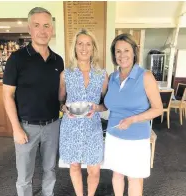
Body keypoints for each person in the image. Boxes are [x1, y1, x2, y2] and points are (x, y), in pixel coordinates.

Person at [3, 7, 64, 196]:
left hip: (53, 124)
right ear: (30, 29)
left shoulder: (58, 61)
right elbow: (7, 96)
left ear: (52, 30)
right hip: (26, 127)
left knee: (50, 170)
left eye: (47, 26)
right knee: (24, 176)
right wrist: (16, 128)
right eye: (37, 25)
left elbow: (59, 95)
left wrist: (67, 106)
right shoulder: (16, 59)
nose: (43, 30)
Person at [104, 33, 163, 196]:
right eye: (118, 51)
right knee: (117, 174)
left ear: (134, 52)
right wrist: (95, 108)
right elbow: (110, 104)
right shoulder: (112, 77)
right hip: (113, 135)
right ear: (113, 54)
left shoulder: (145, 76)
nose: (122, 55)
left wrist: (133, 119)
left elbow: (158, 109)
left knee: (134, 178)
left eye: (126, 50)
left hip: (136, 138)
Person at [59, 28, 108, 196]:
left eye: (88, 44)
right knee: (74, 165)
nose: (84, 48)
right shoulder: (66, 74)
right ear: (75, 48)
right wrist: (64, 108)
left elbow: (105, 104)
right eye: (80, 44)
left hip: (92, 127)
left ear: (93, 48)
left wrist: (97, 108)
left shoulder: (102, 75)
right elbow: (60, 101)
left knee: (94, 169)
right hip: (71, 126)